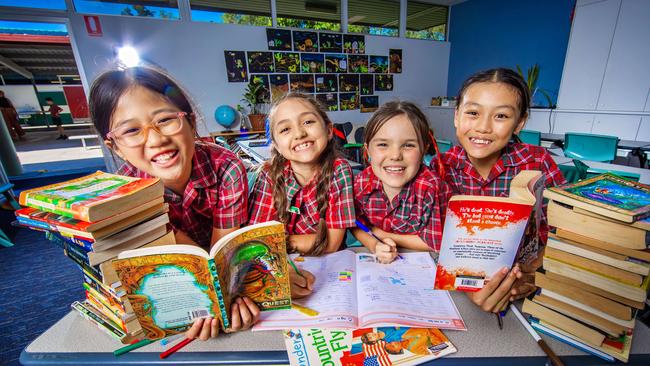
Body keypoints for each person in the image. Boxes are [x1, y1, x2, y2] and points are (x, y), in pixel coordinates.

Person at [88, 66, 258, 340]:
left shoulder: (226, 166)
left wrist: (225, 296)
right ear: (115, 147)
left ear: (191, 124)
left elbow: (221, 258)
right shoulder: (124, 197)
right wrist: (203, 297)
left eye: (166, 119)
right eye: (131, 130)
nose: (156, 139)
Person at [440, 67, 566, 312]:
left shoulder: (538, 162)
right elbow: (434, 239)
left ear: (519, 122)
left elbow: (566, 230)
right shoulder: (441, 168)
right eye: (473, 112)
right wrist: (470, 286)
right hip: (461, 290)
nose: (483, 127)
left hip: (531, 285)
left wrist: (535, 271)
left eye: (501, 116)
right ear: (456, 116)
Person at [248, 92, 356, 256]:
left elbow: (332, 243)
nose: (299, 134)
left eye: (308, 122)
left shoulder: (339, 170)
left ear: (328, 130)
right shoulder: (269, 174)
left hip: (329, 263)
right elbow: (257, 239)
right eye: (285, 129)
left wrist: (279, 242)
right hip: (282, 264)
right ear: (276, 145)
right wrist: (270, 243)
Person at [352, 101, 451, 263]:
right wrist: (374, 244)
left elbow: (436, 243)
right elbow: (355, 224)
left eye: (408, 145)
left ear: (424, 148)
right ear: (367, 150)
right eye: (383, 144)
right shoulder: (361, 182)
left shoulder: (431, 187)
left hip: (421, 264)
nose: (395, 155)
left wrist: (383, 235)